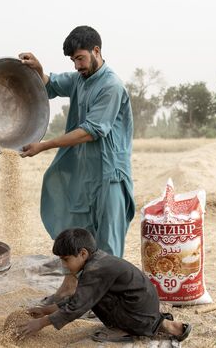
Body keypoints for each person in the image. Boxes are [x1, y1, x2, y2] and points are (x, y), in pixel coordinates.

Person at [19, 26, 134, 301]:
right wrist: (38, 69)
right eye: (73, 61)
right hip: (86, 175)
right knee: (81, 237)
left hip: (110, 176)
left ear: (97, 51)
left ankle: (111, 302)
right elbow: (51, 84)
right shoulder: (81, 79)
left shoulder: (110, 86)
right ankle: (70, 290)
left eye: (81, 58)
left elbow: (91, 130)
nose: (77, 65)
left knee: (107, 243)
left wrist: (44, 145)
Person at [15, 228, 191, 343]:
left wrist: (40, 323)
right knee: (90, 296)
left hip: (137, 314)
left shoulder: (95, 270)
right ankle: (163, 325)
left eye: (66, 259)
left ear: (83, 253)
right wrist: (46, 310)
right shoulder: (98, 261)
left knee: (91, 298)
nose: (64, 265)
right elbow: (80, 299)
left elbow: (78, 306)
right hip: (141, 308)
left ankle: (127, 329)